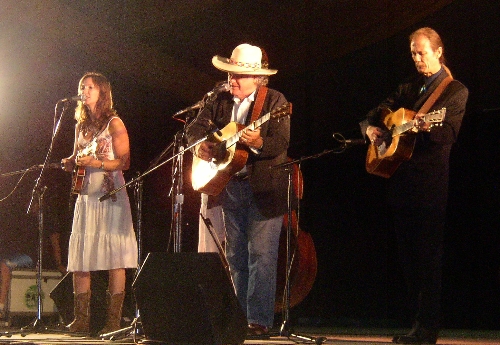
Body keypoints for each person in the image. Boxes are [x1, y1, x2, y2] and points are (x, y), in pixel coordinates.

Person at [360, 27, 468, 344]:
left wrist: (422, 125)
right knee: (408, 258)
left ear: (438, 50)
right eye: (413, 53)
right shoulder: (409, 86)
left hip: (429, 185)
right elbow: (378, 110)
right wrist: (372, 129)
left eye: (422, 52)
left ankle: (427, 328)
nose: (417, 58)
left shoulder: (454, 91)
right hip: (400, 181)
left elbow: (446, 135)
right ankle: (416, 325)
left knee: (428, 257)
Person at [186, 43, 290, 337]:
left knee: (261, 254)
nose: (232, 80)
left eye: (238, 76)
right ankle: (236, 319)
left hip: (264, 190)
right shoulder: (219, 99)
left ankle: (257, 321)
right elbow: (194, 128)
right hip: (231, 186)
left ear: (258, 78)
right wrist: (203, 144)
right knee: (234, 256)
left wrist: (257, 142)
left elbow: (281, 143)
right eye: (230, 74)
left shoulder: (276, 102)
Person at [61, 72, 138, 335]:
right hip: (86, 197)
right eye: (82, 86)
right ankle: (81, 319)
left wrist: (98, 163)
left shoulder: (114, 123)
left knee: (114, 257)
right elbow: (75, 156)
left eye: (90, 87)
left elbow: (125, 162)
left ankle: (113, 321)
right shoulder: (80, 126)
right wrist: (70, 162)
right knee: (82, 257)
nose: (84, 90)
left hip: (110, 198)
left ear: (102, 92)